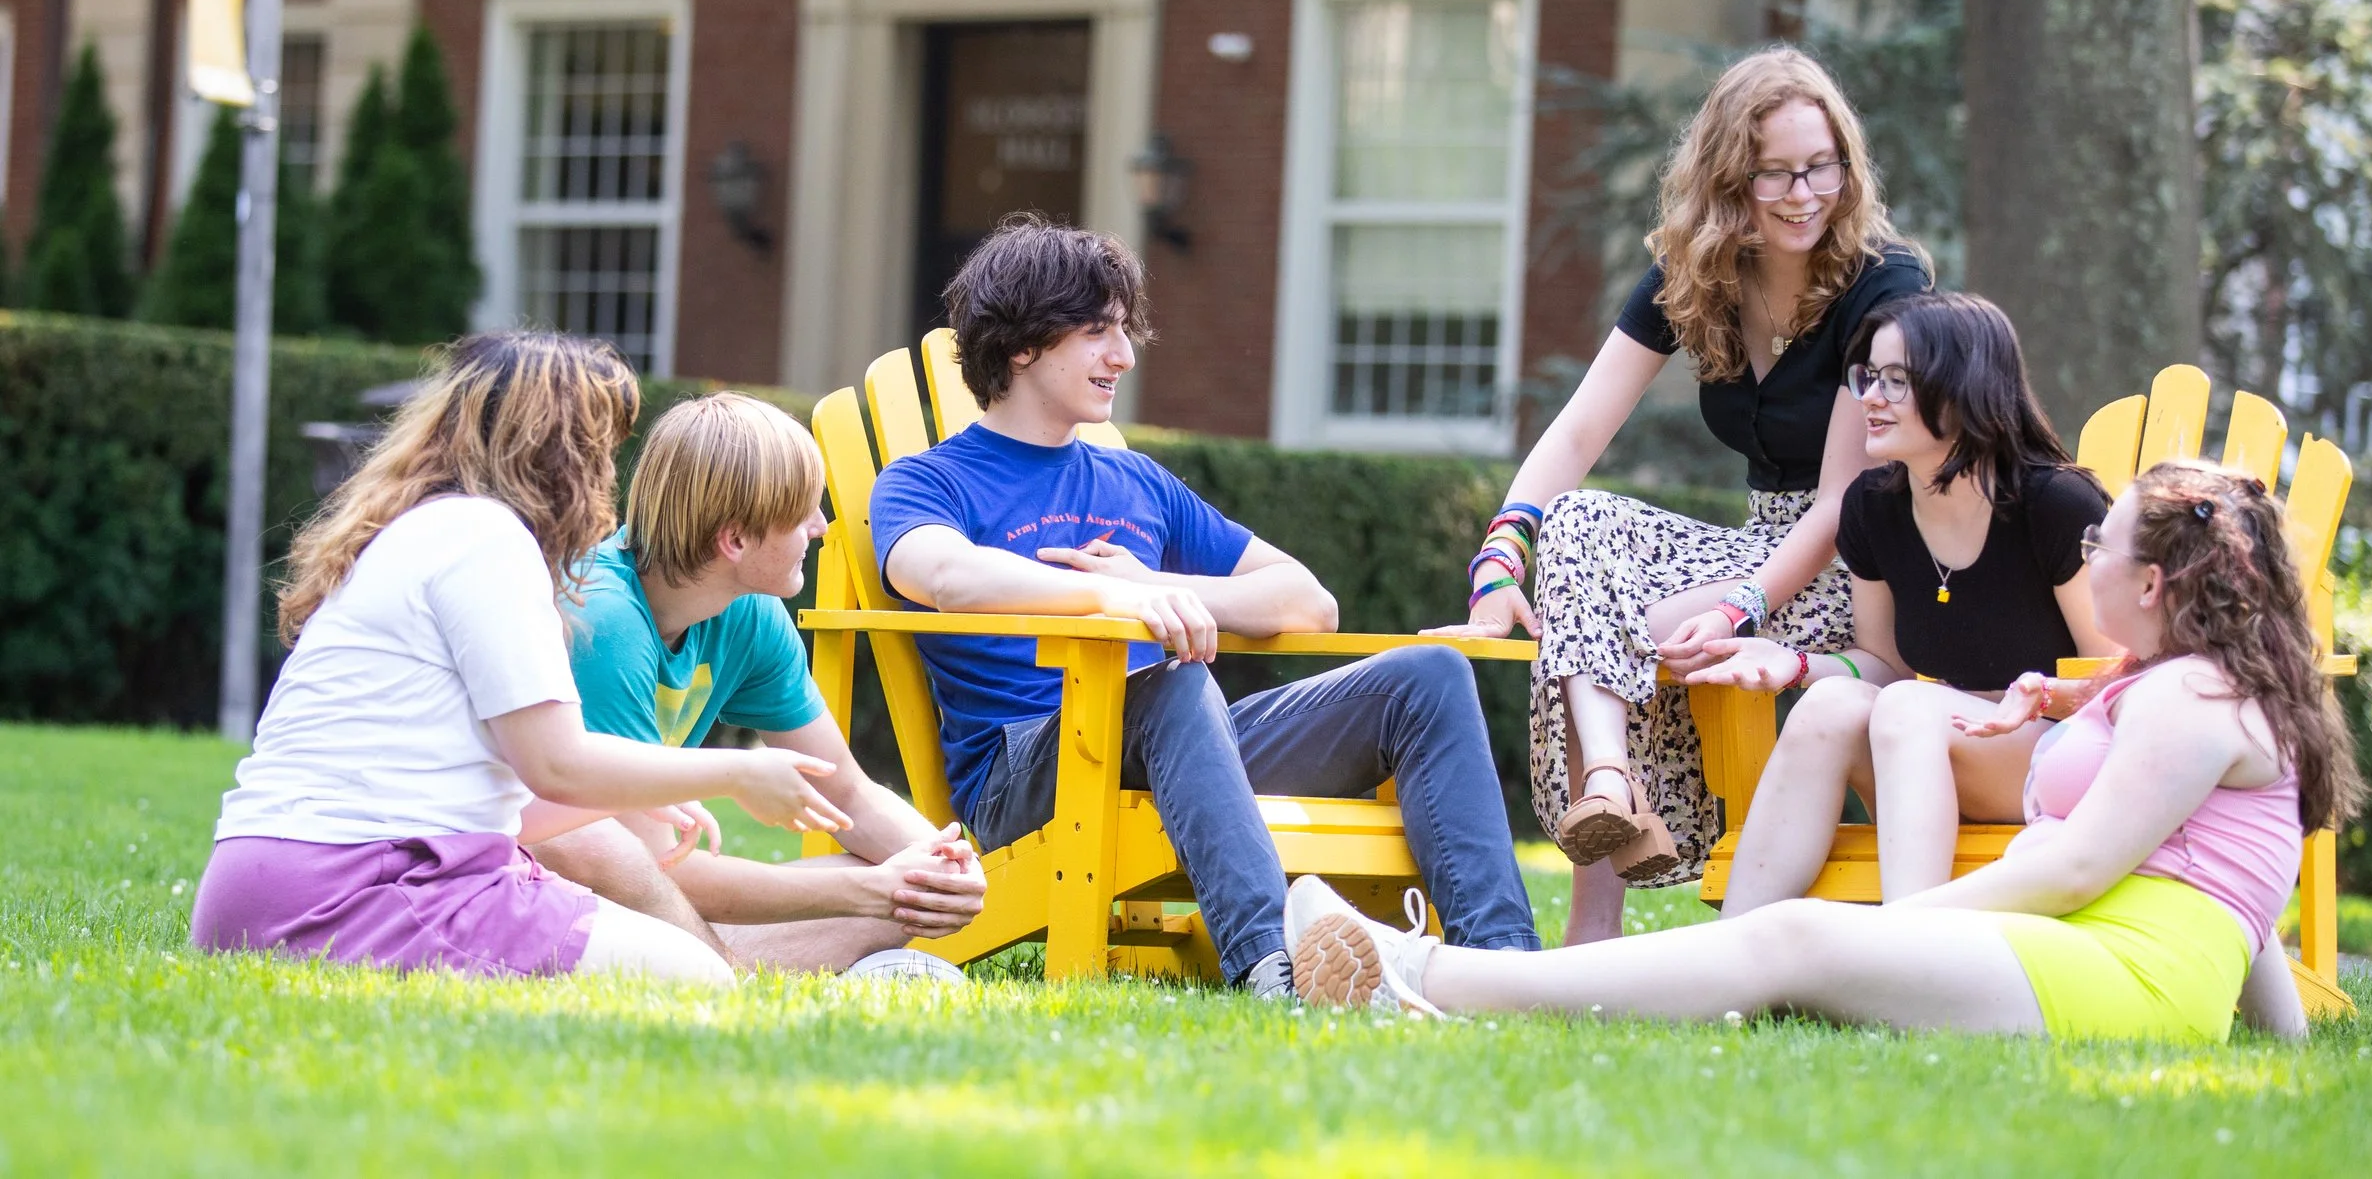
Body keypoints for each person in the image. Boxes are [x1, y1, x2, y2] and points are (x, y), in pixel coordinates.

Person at [1287, 459, 2361, 1044]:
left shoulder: (2189, 696)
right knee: (1801, 948)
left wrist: (1899, 928)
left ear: (2156, 583)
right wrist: (2285, 1040)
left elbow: (2076, 866)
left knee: (1799, 938)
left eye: (2102, 541)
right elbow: (2245, 908)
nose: (2087, 554)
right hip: (2113, 969)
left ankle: (1423, 978)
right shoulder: (2192, 686)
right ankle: (1436, 977)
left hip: (2119, 978)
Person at [870, 215, 1540, 996]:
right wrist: (1114, 597)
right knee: (1173, 681)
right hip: (1027, 776)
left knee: (1427, 676)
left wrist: (1159, 588)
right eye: (1097, 331)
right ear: (1022, 345)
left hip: (1182, 743)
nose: (1122, 355)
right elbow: (946, 576)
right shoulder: (927, 482)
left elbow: (1307, 601)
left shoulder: (1139, 483)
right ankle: (1272, 968)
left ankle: (1506, 970)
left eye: (1124, 330)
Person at [1432, 46, 1929, 943]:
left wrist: (1744, 603)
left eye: (1821, 166)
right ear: (1728, 178)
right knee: (1582, 523)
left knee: (1602, 616)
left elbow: (1838, 503)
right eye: (1773, 171)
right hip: (1758, 547)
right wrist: (1498, 559)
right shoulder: (1694, 275)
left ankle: (1594, 924)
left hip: (1857, 566)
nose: (1801, 192)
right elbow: (1579, 432)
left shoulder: (1881, 288)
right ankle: (1610, 787)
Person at [192, 332, 848, 986]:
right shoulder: (488, 542)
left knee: (681, 960)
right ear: (560, 451)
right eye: (602, 447)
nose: (608, 474)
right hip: (356, 886)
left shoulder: (424, 527)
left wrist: (655, 793)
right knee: (698, 979)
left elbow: (513, 805)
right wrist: (731, 772)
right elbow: (557, 763)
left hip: (263, 883)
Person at [525, 392, 986, 977]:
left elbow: (844, 790)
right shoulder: (605, 620)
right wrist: (866, 890)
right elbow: (646, 860)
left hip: (638, 892)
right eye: (804, 513)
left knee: (904, 896)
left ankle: (705, 962)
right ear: (736, 540)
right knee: (600, 847)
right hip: (550, 875)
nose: (820, 528)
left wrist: (937, 865)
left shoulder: (749, 610)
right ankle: (722, 973)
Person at [1710, 292, 2116, 912]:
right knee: (1830, 704)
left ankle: (1910, 949)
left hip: (2065, 760)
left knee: (1908, 708)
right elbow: (1883, 663)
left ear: (1964, 388)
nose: (1869, 396)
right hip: (1935, 747)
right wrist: (1789, 664)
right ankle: (1733, 954)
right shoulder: (1874, 507)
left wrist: (2023, 699)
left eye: (1896, 380)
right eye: (1867, 377)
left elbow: (2118, 680)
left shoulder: (2057, 505)